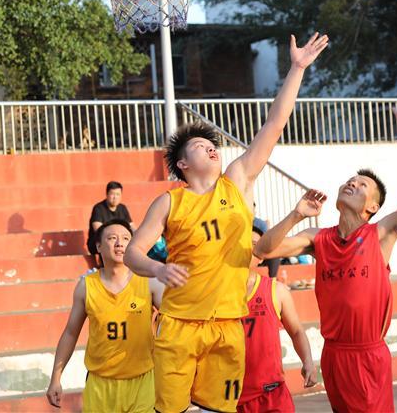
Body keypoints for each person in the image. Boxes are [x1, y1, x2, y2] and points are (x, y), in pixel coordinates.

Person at [124, 33, 328, 413]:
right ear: (183, 164)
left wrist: (297, 69)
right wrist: (158, 268)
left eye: (211, 144)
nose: (210, 147)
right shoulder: (170, 202)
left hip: (228, 324)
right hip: (180, 323)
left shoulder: (236, 181)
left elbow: (274, 125)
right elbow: (133, 253)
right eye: (199, 147)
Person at [254, 85, 397, 413]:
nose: (352, 183)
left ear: (372, 207)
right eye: (350, 180)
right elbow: (264, 251)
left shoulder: (381, 233)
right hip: (333, 354)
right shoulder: (317, 238)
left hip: (368, 354)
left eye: (362, 184)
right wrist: (296, 214)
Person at [46, 219, 164, 412]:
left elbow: (176, 316)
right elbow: (70, 333)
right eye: (112, 238)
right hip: (100, 385)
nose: (119, 243)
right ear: (99, 246)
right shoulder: (86, 287)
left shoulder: (150, 282)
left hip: (142, 382)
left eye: (125, 238)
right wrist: (55, 379)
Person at [238, 218, 317, 413]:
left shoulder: (276, 290)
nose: (248, 249)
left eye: (255, 245)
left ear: (262, 255)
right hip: (231, 397)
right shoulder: (216, 294)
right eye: (242, 243)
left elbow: (296, 330)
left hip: (271, 395)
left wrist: (308, 361)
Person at [86, 181, 132, 261]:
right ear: (107, 194)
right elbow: (98, 230)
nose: (115, 197)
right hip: (99, 242)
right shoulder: (98, 208)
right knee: (107, 242)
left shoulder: (122, 208)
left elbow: (132, 227)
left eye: (118, 194)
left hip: (117, 241)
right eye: (112, 194)